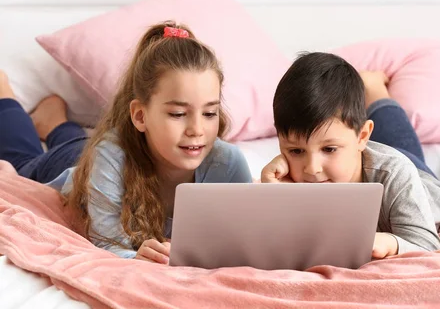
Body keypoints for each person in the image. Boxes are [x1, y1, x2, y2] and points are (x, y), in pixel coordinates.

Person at [0, 22, 252, 264]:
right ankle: (6, 96)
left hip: (91, 150)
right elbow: (108, 243)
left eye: (209, 113)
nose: (197, 130)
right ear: (140, 116)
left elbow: (247, 240)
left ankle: (54, 122)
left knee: (79, 144)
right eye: (177, 114)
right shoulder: (110, 157)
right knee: (22, 163)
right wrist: (136, 258)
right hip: (70, 167)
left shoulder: (228, 163)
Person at [261, 52, 440, 259]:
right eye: (296, 151)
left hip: (413, 175)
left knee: (401, 146)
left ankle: (373, 87)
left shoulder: (395, 173)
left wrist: (390, 242)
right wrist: (278, 198)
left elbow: (428, 245)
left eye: (329, 149)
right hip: (365, 156)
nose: (312, 168)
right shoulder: (288, 175)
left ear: (362, 136)